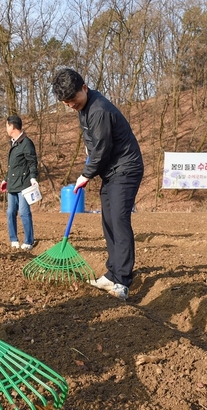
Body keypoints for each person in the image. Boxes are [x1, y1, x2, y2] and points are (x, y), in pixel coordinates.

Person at [51, 68, 144, 300]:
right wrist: (88, 148)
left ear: (84, 87)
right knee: (108, 221)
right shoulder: (84, 107)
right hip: (112, 170)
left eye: (73, 99)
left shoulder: (99, 110)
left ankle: (122, 281)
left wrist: (86, 175)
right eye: (66, 102)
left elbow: (102, 150)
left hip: (125, 168)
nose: (71, 105)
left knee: (119, 221)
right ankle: (112, 272)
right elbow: (96, 142)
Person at [0, 115, 39, 251]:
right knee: (10, 212)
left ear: (12, 126)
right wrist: (5, 179)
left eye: (7, 126)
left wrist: (33, 178)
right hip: (12, 184)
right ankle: (13, 239)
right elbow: (12, 166)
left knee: (23, 212)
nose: (6, 128)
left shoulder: (26, 143)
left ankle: (29, 241)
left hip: (24, 184)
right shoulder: (13, 143)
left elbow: (32, 162)